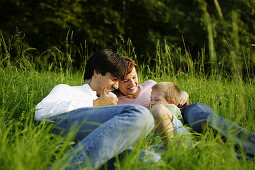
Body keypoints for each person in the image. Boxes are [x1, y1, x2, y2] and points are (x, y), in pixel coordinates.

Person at [35, 49, 157, 169]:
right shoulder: (67, 89)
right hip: (66, 129)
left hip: (95, 146)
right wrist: (95, 103)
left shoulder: (112, 99)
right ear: (97, 73)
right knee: (142, 115)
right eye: (114, 79)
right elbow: (41, 111)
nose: (116, 85)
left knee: (151, 160)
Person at [115, 56, 255, 158]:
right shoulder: (116, 101)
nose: (132, 84)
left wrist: (183, 94)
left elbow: (171, 92)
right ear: (116, 82)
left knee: (204, 121)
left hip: (184, 111)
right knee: (203, 146)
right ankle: (244, 158)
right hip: (166, 126)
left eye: (134, 77)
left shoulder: (150, 84)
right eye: (126, 81)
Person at [150, 82, 192, 150]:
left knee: (158, 109)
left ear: (171, 102)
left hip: (178, 140)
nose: (151, 102)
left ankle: (170, 152)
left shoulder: (171, 107)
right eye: (151, 99)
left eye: (157, 100)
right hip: (159, 146)